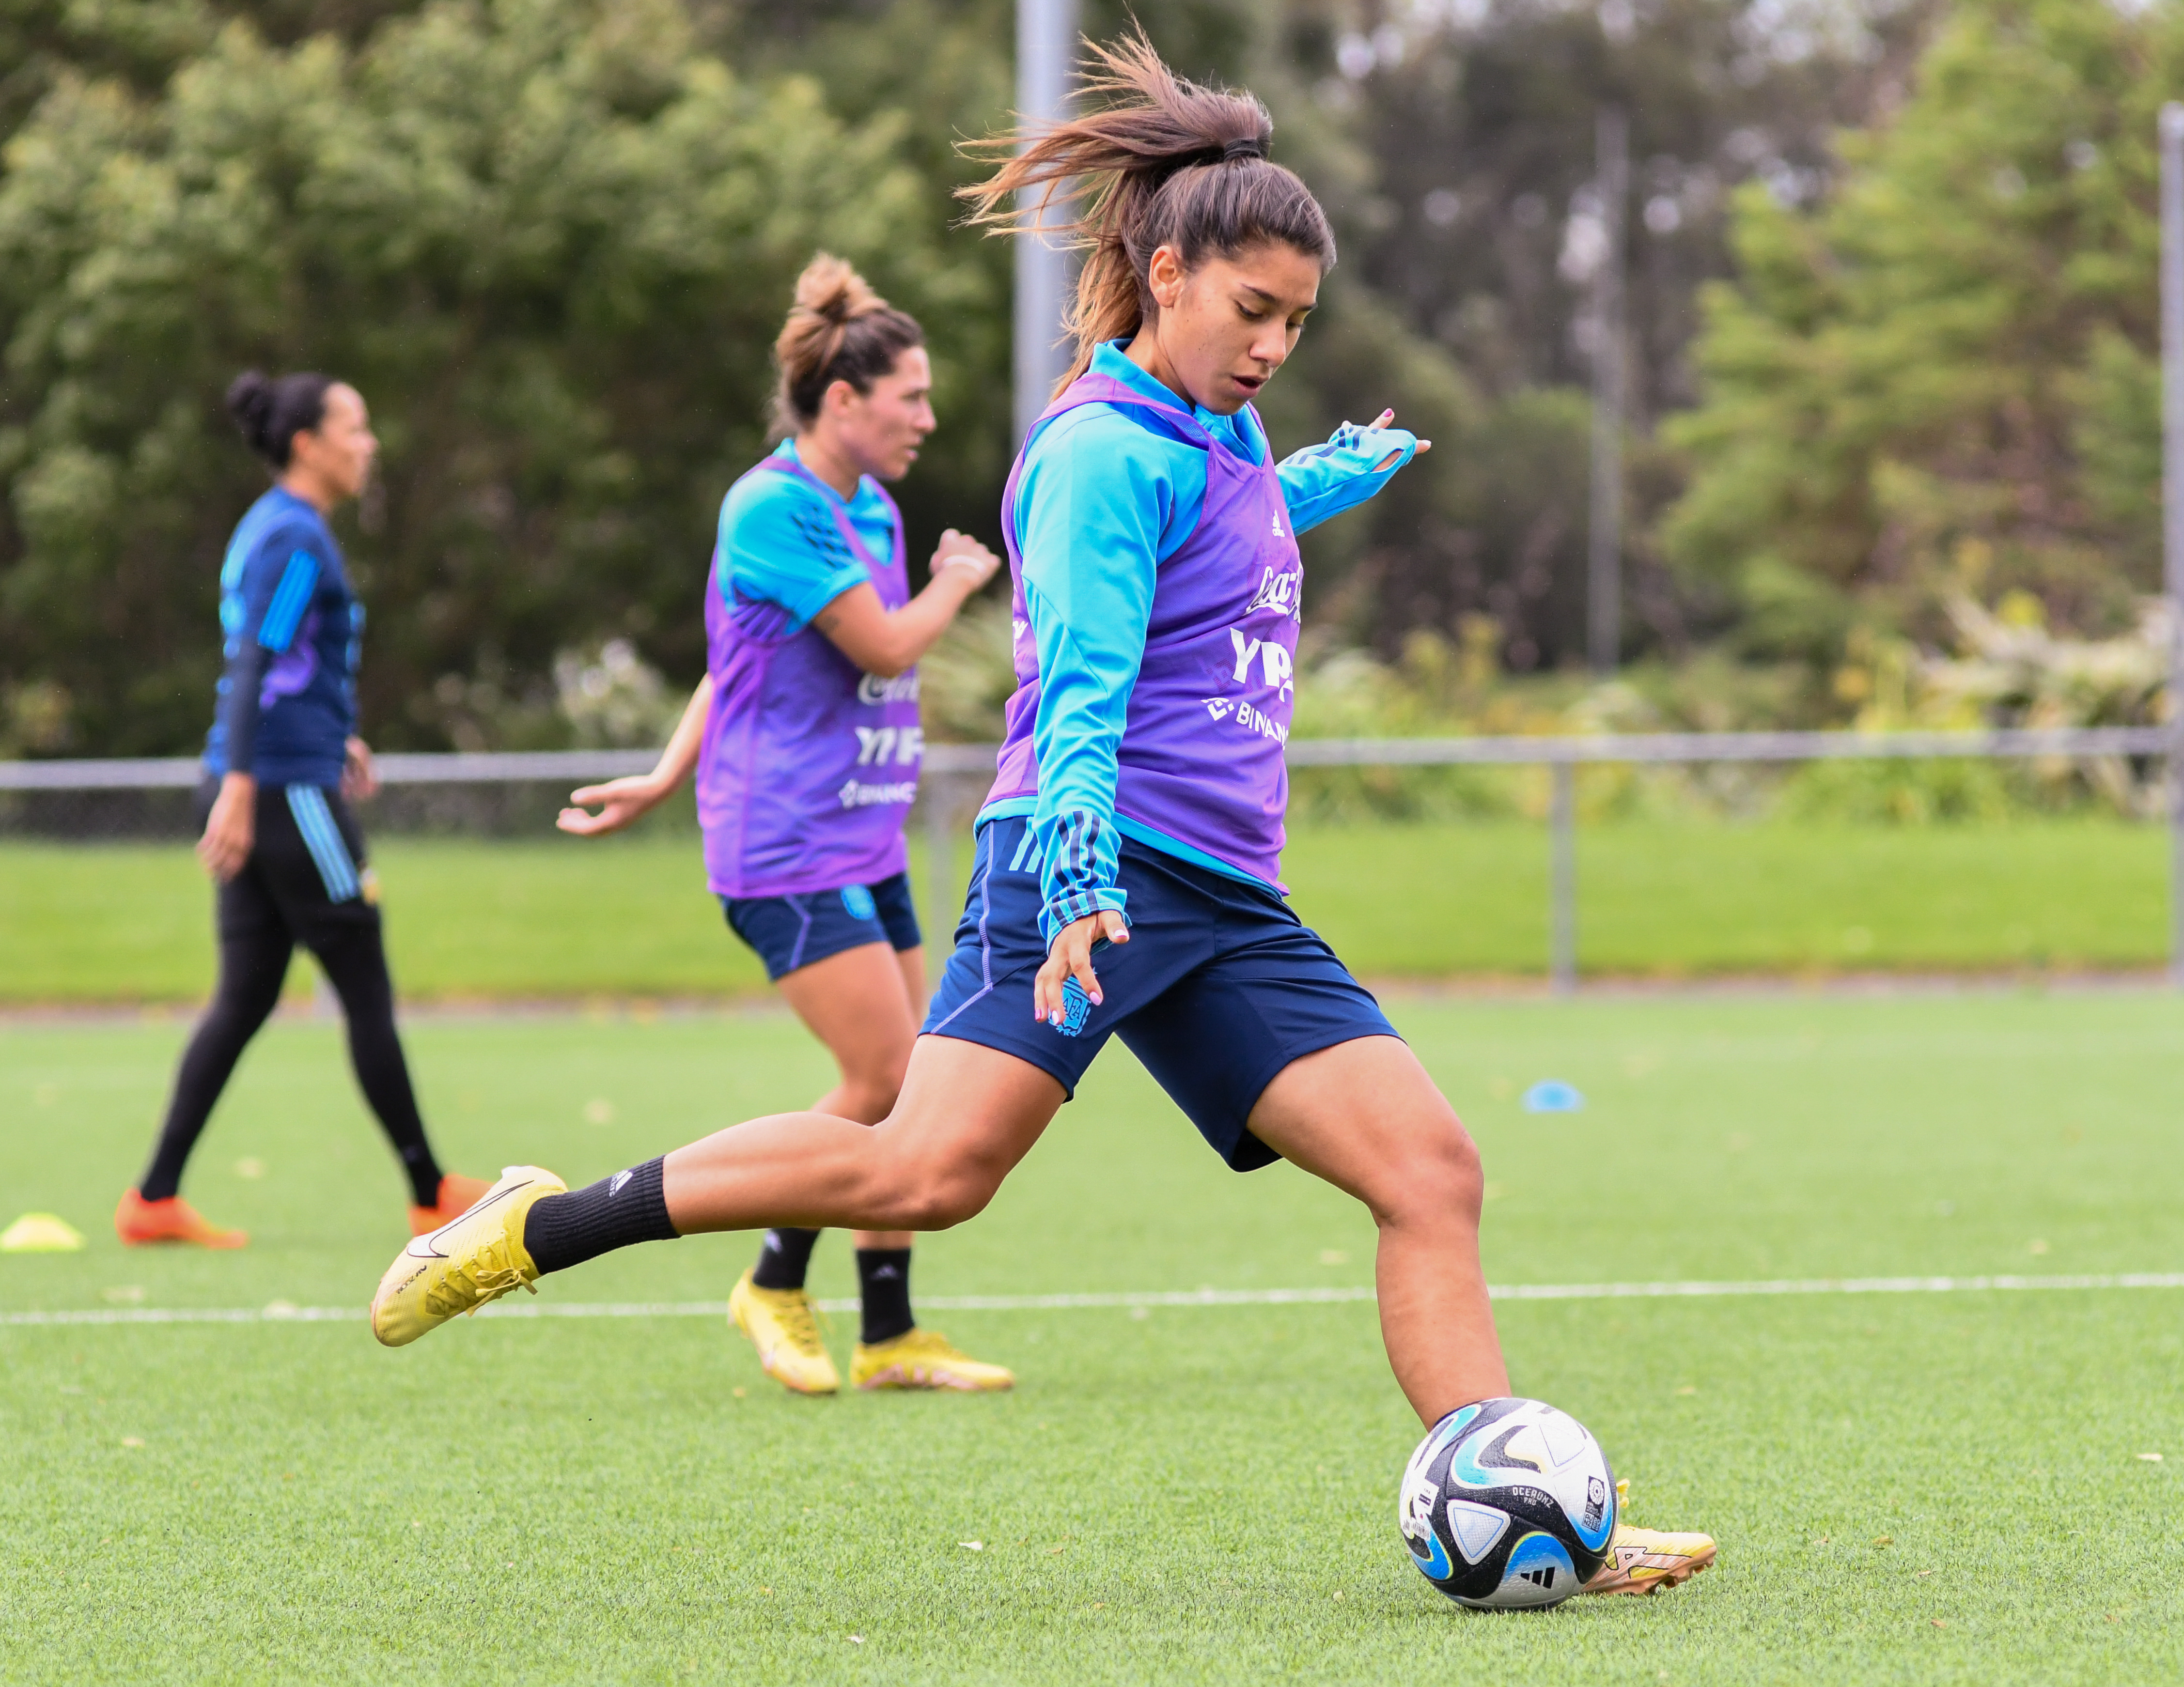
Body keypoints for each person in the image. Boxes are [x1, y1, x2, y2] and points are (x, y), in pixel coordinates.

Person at [370, 36, 1714, 1594]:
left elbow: (1223, 525)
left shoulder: (1209, 434)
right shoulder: (1092, 450)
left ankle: (1525, 1511)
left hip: (1220, 902)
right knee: (920, 1175)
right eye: (1250, 311)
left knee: (1431, 1170)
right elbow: (1079, 678)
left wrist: (1313, 484)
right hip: (1084, 869)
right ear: (1162, 273)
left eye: (1297, 320)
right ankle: (546, 1224)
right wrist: (1075, 865)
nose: (1273, 344)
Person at [554, 256, 1014, 1395]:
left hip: (864, 836)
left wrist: (661, 771)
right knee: (886, 1070)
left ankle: (891, 1331)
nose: (928, 415)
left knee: (913, 1086)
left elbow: (735, 665)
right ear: (843, 399)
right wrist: (957, 580)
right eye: (910, 395)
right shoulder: (774, 505)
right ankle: (770, 1279)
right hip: (784, 845)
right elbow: (890, 645)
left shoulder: (868, 505)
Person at [117, 371, 488, 1249]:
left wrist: (336, 735)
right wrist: (248, 787)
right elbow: (255, 662)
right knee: (363, 982)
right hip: (282, 794)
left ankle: (154, 1200)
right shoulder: (294, 537)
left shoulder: (277, 528)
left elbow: (291, 670)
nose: (370, 444)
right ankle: (432, 1190)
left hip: (276, 773)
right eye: (355, 428)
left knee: (245, 996)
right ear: (308, 444)